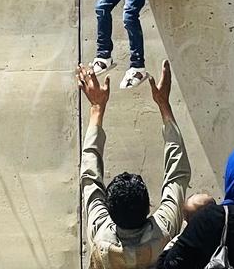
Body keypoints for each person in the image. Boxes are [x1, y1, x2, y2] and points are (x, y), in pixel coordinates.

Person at [78, 60, 191, 269]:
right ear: (148, 207)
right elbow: (177, 173)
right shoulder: (163, 231)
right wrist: (163, 104)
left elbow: (89, 177)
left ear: (109, 211)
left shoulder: (100, 233)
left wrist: (96, 108)